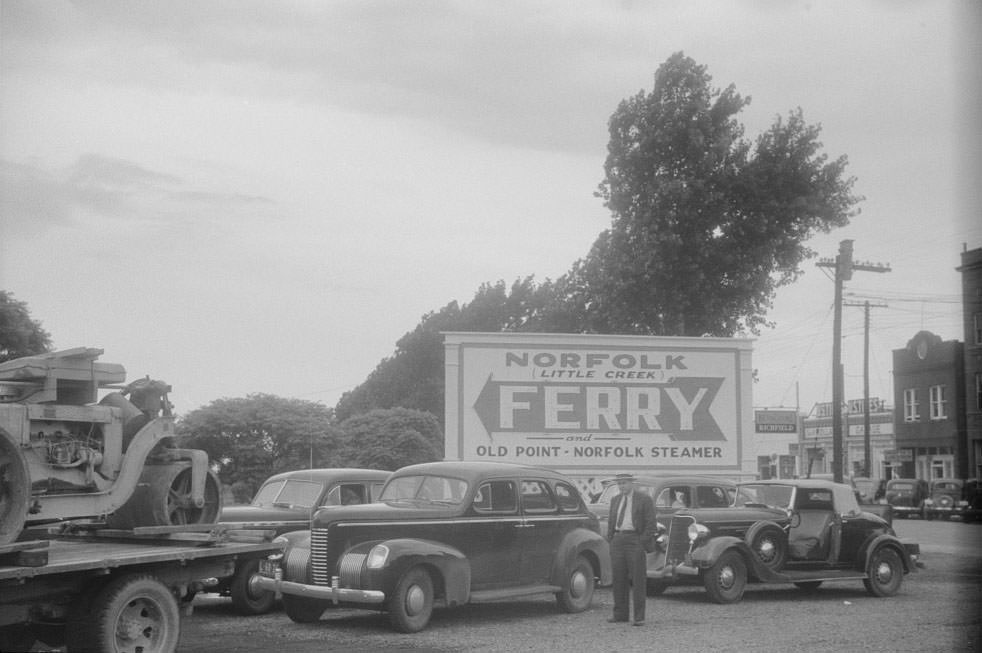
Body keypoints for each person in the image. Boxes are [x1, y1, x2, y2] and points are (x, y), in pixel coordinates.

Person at [606, 473, 657, 627]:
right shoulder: (615, 500)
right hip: (618, 539)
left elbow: (651, 524)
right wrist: (611, 538)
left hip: (635, 539)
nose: (622, 486)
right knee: (618, 578)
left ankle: (639, 617)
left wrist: (642, 542)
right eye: (619, 483)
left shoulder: (644, 499)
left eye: (624, 483)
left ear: (632, 484)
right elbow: (611, 520)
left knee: (638, 579)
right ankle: (620, 614)